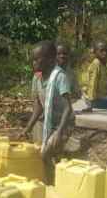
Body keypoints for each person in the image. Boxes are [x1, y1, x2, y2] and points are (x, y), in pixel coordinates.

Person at [21, 41, 74, 180]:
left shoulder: (60, 77)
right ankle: (55, 180)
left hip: (63, 124)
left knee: (45, 154)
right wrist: (27, 128)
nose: (34, 63)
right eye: (32, 60)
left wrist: (59, 132)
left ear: (50, 59)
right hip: (48, 124)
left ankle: (51, 184)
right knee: (46, 155)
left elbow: (68, 107)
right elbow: (38, 107)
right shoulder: (37, 78)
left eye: (37, 59)